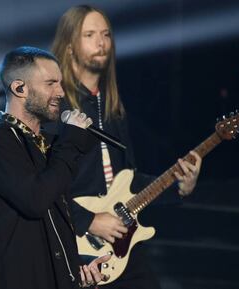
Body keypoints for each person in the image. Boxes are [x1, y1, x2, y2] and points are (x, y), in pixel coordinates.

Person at [45, 5, 202, 289]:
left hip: (120, 242)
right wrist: (88, 221)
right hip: (74, 244)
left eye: (105, 34)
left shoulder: (113, 106)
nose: (101, 42)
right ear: (69, 47)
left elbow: (130, 178)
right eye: (89, 34)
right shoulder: (56, 106)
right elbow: (38, 183)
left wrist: (180, 187)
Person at [0, 46, 110, 289]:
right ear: (19, 88)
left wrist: (75, 266)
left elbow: (49, 228)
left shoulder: (45, 145)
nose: (61, 92)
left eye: (60, 83)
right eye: (50, 83)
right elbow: (35, 200)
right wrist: (70, 144)